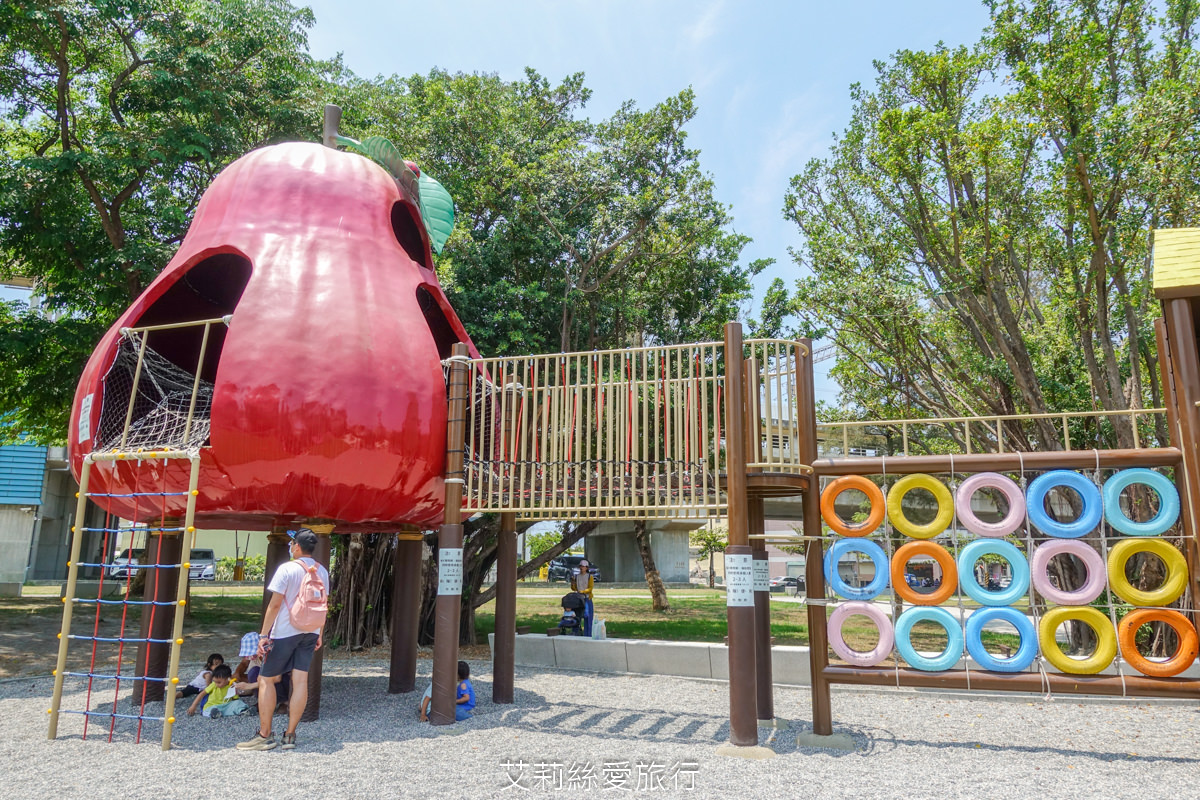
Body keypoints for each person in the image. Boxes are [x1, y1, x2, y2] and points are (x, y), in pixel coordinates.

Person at [237, 528, 328, 752]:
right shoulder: (322, 570)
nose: (290, 546)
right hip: (311, 631)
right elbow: (323, 604)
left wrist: (263, 635)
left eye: (291, 543)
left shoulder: (287, 569)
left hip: (286, 632)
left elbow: (275, 604)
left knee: (267, 680)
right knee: (300, 681)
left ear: (297, 546)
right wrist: (320, 634)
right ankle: (290, 736)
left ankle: (265, 735)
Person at [231, 631, 291, 712]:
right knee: (253, 672)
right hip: (265, 681)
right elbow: (244, 663)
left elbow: (277, 678)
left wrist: (250, 686)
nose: (250, 656)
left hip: (283, 681)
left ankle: (284, 701)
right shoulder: (253, 657)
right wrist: (237, 673)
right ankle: (262, 699)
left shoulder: (273, 654)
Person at [571, 559, 595, 637]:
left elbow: (590, 588)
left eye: (583, 566)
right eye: (581, 566)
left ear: (587, 568)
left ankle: (588, 634)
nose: (582, 568)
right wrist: (573, 583)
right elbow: (574, 588)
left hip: (587, 598)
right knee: (577, 616)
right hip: (578, 598)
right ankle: (576, 632)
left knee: (587, 616)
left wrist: (583, 591)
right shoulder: (577, 576)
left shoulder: (589, 577)